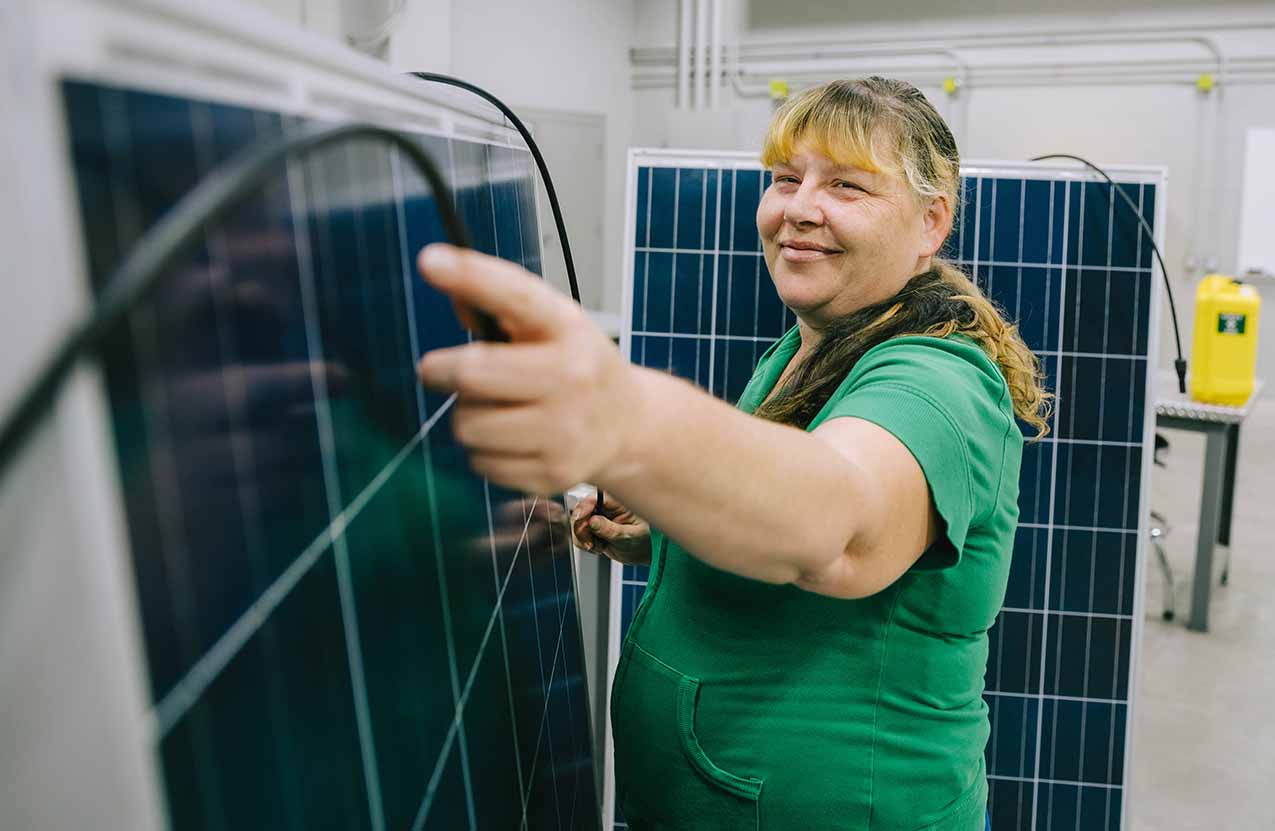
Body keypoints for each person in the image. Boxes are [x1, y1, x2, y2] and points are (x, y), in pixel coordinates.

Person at [414, 76, 1049, 831]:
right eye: (785, 179)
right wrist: (665, 519)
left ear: (930, 222)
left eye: (846, 186)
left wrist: (625, 419)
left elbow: (837, 528)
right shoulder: (810, 345)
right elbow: (775, 490)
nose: (799, 208)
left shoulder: (938, 380)